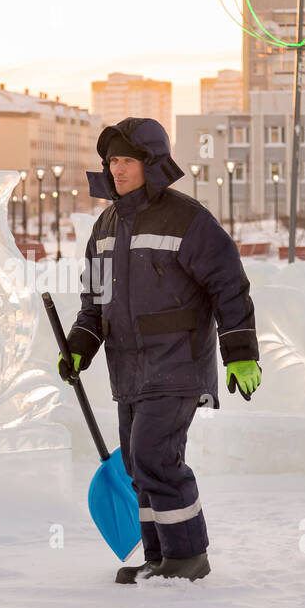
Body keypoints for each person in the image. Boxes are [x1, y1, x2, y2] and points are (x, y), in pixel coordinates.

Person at [57, 117, 261, 583]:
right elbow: (95, 302)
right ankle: (160, 556)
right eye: (112, 161)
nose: (118, 169)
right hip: (128, 370)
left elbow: (229, 285)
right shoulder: (105, 226)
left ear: (152, 164)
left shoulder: (187, 219)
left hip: (177, 363)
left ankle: (188, 556)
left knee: (154, 455)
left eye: (128, 160)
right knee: (135, 462)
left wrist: (241, 351)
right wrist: (78, 347)